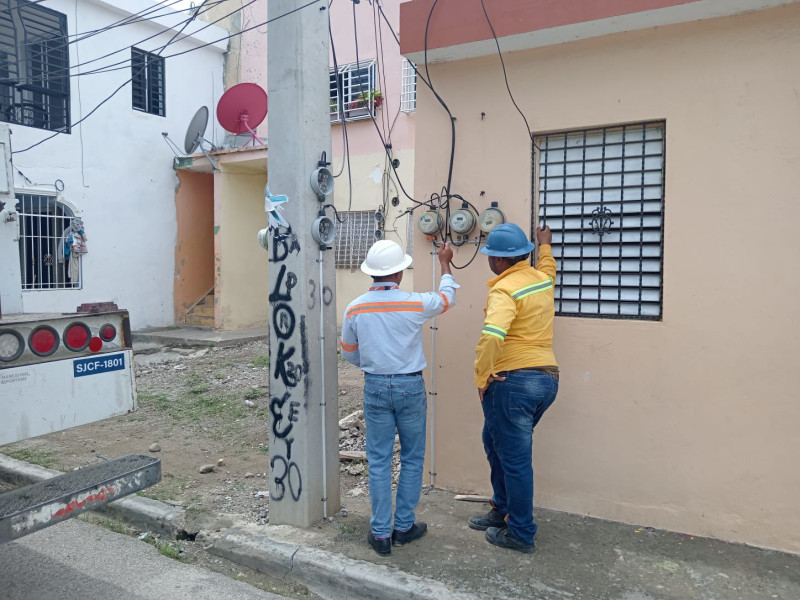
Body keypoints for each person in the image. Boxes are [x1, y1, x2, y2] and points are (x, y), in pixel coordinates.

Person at [340, 239, 456, 556]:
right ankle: (403, 528)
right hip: (410, 387)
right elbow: (447, 298)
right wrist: (445, 264)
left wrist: (375, 365)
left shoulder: (355, 307)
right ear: (400, 273)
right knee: (412, 458)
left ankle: (380, 535)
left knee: (378, 461)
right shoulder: (414, 303)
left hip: (375, 386)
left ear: (371, 274)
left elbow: (349, 353)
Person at [469, 223, 559, 554]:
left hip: (514, 382)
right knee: (495, 442)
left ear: (499, 261)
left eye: (491, 256)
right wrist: (545, 246)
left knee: (514, 458)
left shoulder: (504, 290)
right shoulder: (541, 280)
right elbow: (548, 268)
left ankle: (520, 532)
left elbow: (493, 334)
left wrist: (482, 376)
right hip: (547, 379)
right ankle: (501, 510)